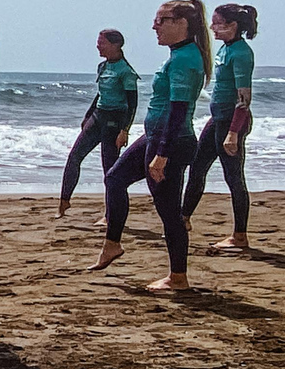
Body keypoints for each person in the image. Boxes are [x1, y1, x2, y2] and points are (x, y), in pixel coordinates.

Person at [90, 0, 211, 293]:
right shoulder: (179, 54)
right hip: (157, 136)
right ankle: (112, 244)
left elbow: (179, 110)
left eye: (161, 20)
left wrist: (162, 155)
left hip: (171, 141)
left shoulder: (184, 59)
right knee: (115, 179)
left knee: (169, 212)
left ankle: (178, 278)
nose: (154, 26)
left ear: (181, 23)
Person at [182, 4, 257, 249]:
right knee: (197, 167)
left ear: (232, 26)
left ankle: (240, 236)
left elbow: (244, 99)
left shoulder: (242, 53)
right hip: (218, 119)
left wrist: (233, 133)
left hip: (232, 123)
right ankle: (183, 219)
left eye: (217, 23)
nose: (212, 27)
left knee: (233, 177)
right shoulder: (225, 49)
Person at [56, 30, 139, 224]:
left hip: (115, 120)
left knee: (110, 169)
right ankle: (64, 201)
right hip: (98, 116)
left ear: (115, 44)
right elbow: (99, 94)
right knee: (74, 156)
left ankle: (110, 215)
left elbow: (132, 104)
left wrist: (124, 130)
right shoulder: (102, 66)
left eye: (101, 43)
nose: (97, 46)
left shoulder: (126, 72)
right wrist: (87, 116)